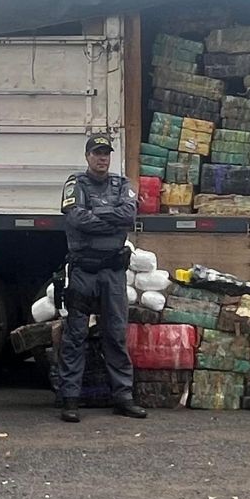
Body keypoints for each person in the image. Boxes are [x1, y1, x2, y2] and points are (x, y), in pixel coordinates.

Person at [56, 133, 144, 423]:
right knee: (75, 336)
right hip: (83, 272)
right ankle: (70, 399)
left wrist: (97, 215)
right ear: (87, 157)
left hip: (112, 273)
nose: (102, 158)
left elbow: (129, 215)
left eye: (106, 153)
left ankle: (123, 398)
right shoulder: (76, 183)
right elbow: (75, 218)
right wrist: (110, 218)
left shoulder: (121, 184)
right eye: (97, 153)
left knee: (116, 335)